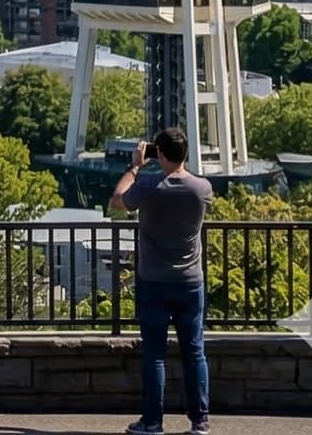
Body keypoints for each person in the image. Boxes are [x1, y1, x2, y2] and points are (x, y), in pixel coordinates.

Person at [112, 125, 211, 435]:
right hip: (191, 281)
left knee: (155, 354)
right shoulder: (202, 188)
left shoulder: (149, 186)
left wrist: (136, 166)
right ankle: (200, 421)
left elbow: (118, 199)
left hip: (154, 280)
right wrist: (175, 162)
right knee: (194, 352)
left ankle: (153, 422)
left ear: (161, 154)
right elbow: (186, 177)